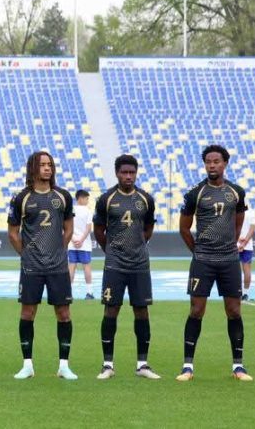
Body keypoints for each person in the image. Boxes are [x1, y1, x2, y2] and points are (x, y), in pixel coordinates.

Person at [176, 145, 251, 382]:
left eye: (216, 161)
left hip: (229, 260)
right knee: (197, 310)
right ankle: (187, 367)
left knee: (234, 310)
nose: (212, 165)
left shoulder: (236, 192)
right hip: (203, 261)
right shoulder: (195, 194)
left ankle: (238, 366)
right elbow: (184, 228)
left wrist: (229, 244)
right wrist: (198, 252)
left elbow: (238, 222)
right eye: (208, 162)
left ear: (225, 163)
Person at [8, 151, 78, 380]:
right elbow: (13, 233)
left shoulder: (63, 196)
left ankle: (64, 366)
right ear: (33, 168)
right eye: (43, 165)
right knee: (28, 313)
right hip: (32, 267)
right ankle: (27, 365)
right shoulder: (21, 198)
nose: (48, 168)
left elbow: (69, 228)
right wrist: (26, 254)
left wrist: (60, 249)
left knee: (64, 313)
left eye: (50, 165)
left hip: (58, 266)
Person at [94, 155, 160, 380]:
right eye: (124, 172)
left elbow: (148, 228)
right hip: (114, 265)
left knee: (141, 310)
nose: (128, 176)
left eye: (132, 172)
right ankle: (107, 365)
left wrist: (137, 246)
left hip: (139, 264)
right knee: (111, 309)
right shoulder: (106, 199)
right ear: (117, 173)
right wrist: (113, 251)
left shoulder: (146, 199)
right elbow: (99, 230)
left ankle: (142, 365)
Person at [68, 190, 95, 300]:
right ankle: (89, 292)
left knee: (71, 267)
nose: (87, 201)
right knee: (86, 267)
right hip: (84, 244)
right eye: (87, 198)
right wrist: (81, 240)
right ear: (81, 198)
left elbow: (67, 227)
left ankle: (68, 293)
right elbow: (88, 228)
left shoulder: (71, 210)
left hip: (72, 243)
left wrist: (73, 239)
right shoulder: (88, 211)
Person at [238, 202, 255, 301]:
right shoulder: (251, 213)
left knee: (234, 269)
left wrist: (238, 240)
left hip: (235, 243)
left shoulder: (234, 211)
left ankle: (236, 292)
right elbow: (252, 229)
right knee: (247, 269)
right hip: (248, 245)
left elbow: (231, 228)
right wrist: (245, 242)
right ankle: (245, 293)